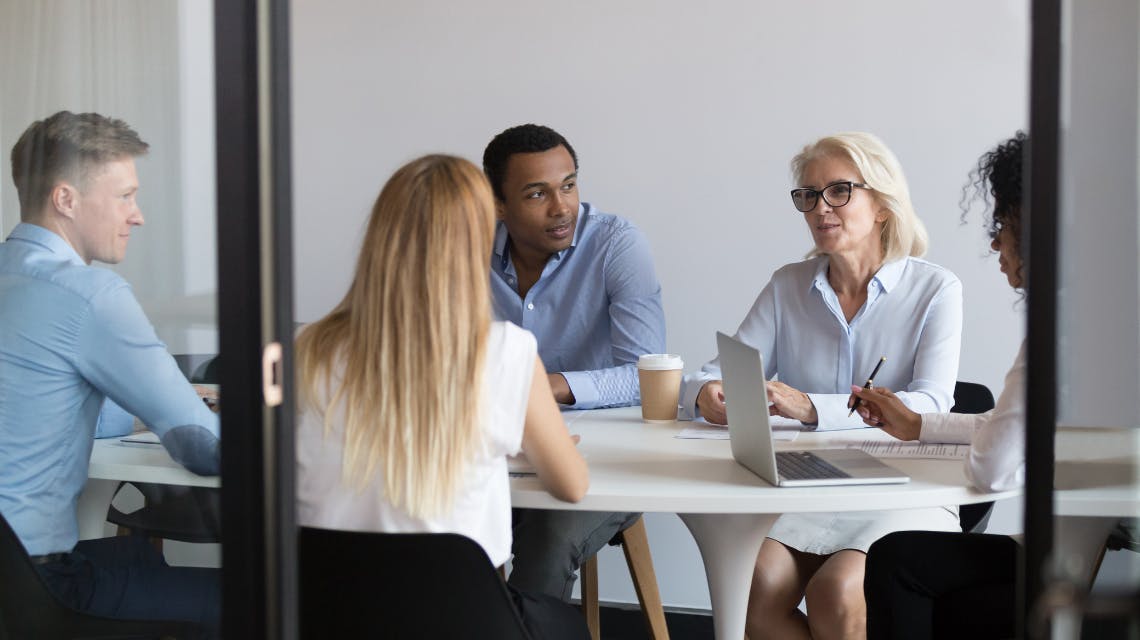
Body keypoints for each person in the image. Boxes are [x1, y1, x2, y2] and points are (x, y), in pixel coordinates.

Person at [294, 154, 591, 640]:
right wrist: (516, 436)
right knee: (566, 627)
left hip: (326, 616)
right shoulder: (506, 352)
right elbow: (571, 486)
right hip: (464, 621)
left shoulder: (308, 348)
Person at [680, 132, 964, 640]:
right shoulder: (788, 284)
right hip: (809, 483)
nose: (819, 208)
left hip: (902, 486)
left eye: (839, 191)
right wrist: (707, 396)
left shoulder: (935, 289)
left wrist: (810, 406)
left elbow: (931, 403)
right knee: (755, 585)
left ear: (882, 205)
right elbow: (708, 375)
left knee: (836, 591)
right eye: (808, 195)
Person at [0, 111, 220, 635]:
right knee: (250, 598)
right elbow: (200, 446)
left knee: (141, 561)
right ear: (66, 199)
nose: (137, 215)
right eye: (124, 196)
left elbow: (47, 410)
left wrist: (143, 412)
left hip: (10, 581)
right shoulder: (91, 296)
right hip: (39, 586)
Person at [482, 124, 666, 601]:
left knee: (548, 539)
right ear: (498, 205)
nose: (561, 206)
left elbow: (645, 374)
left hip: (598, 464)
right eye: (537, 193)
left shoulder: (616, 245)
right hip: (492, 453)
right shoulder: (466, 251)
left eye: (568, 184)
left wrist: (546, 387)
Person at [857, 132, 1028, 640]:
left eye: (1003, 224)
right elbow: (1008, 428)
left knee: (896, 561)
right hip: (1091, 548)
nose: (996, 242)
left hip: (1070, 561)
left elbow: (992, 470)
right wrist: (920, 425)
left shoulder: (1056, 332)